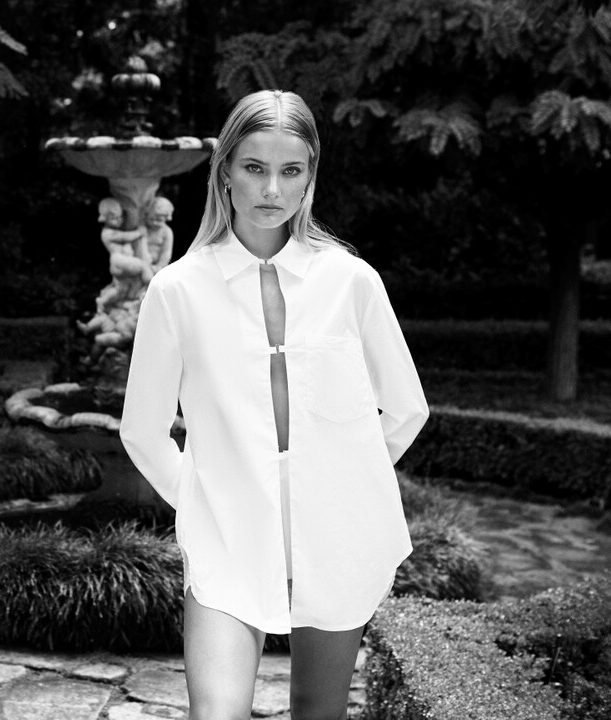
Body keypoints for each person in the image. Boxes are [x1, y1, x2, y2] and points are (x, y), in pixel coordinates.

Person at [119, 90, 428, 720]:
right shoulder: (178, 290)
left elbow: (406, 408)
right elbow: (142, 432)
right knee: (217, 713)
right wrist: (204, 498)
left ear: (310, 176)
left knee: (319, 711)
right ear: (225, 172)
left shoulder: (351, 281)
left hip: (337, 532)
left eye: (290, 171)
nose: (271, 189)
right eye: (255, 168)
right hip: (228, 535)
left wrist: (348, 481)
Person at [144, 196, 175, 274]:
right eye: (151, 219)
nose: (154, 222)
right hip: (142, 264)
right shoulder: (144, 228)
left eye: (159, 220)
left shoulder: (167, 232)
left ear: (166, 218)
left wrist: (159, 267)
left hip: (157, 268)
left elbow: (166, 253)